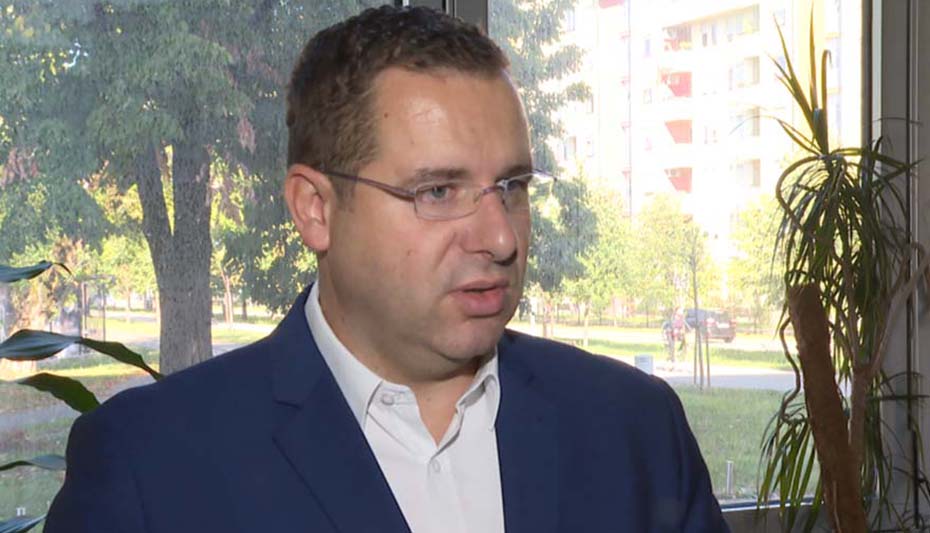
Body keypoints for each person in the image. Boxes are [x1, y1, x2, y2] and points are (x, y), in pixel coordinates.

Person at [46, 6, 729, 532]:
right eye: (438, 191)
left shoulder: (635, 428)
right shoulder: (149, 465)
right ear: (315, 209)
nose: (500, 236)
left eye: (513, 186)